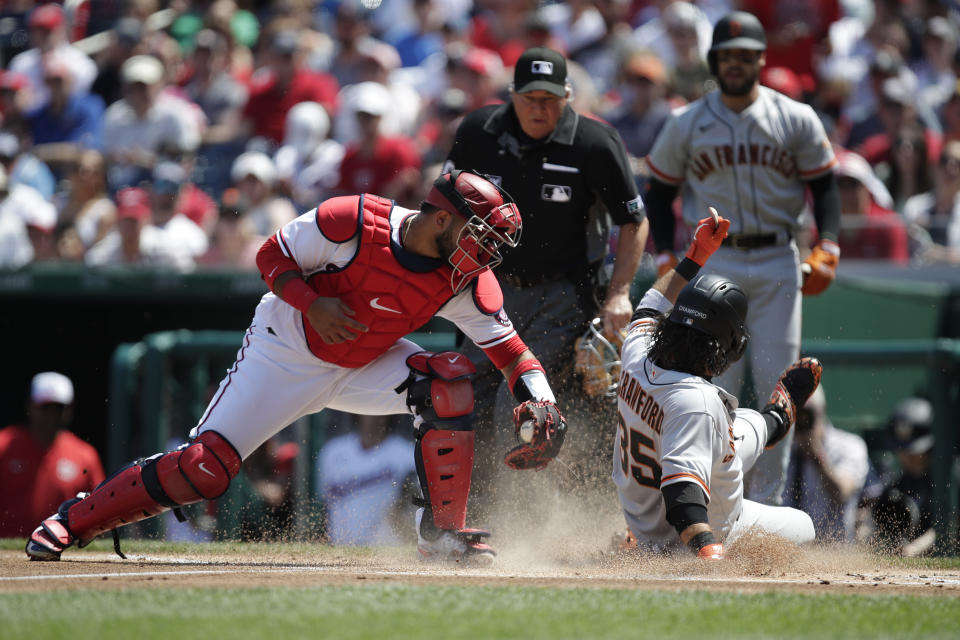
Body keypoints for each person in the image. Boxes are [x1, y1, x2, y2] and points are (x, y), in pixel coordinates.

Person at [26, 170, 567, 564]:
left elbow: (511, 353)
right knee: (203, 471)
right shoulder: (352, 221)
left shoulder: (464, 279)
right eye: (481, 236)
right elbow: (270, 257)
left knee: (449, 380)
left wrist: (539, 398)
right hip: (285, 351)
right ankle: (72, 520)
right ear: (444, 217)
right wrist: (315, 303)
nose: (487, 254)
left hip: (361, 362)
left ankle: (441, 533)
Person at [644, 11, 841, 506]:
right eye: (727, 56)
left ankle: (769, 505)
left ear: (760, 59)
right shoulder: (686, 122)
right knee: (708, 386)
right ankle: (706, 503)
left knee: (779, 385)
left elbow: (824, 185)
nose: (735, 63)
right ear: (714, 60)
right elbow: (659, 190)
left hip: (779, 258)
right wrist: (672, 256)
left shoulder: (793, 116)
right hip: (714, 262)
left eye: (745, 55)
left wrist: (830, 244)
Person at [442, 46, 648, 508]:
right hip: (488, 285)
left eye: (550, 98)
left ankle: (518, 525)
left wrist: (618, 294)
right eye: (530, 97)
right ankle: (459, 513)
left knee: (514, 403)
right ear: (511, 95)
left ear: (569, 96)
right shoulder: (478, 131)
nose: (540, 108)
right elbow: (445, 206)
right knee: (463, 397)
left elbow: (634, 221)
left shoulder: (596, 142)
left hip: (566, 295)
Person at [614, 209, 818, 557]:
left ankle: (777, 416)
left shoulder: (637, 350)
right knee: (805, 527)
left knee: (745, 427)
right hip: (683, 538)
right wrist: (708, 550)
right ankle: (777, 420)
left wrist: (695, 256)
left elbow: (652, 303)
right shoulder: (698, 403)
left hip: (641, 505)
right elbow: (683, 500)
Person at [0, 372, 105, 538]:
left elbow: (99, 512)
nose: (52, 414)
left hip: (62, 552)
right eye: (45, 407)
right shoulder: (4, 445)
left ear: (70, 409)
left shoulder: (85, 455)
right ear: (30, 406)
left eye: (59, 408)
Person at [783, 387, 870, 543]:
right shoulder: (783, 453)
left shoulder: (849, 446)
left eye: (806, 415)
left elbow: (842, 492)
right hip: (791, 554)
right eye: (796, 415)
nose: (801, 422)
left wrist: (817, 455)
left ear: (820, 412)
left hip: (835, 554)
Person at [317, 414, 417, 546]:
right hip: (339, 548)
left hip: (385, 550)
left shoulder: (406, 455)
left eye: (380, 410)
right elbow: (324, 504)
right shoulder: (333, 451)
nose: (375, 416)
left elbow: (411, 510)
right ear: (356, 413)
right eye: (369, 411)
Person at [868, 397, 937, 557]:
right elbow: (874, 524)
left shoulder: (950, 480)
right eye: (902, 450)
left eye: (914, 451)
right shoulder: (897, 482)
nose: (907, 456)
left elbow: (948, 527)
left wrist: (914, 548)